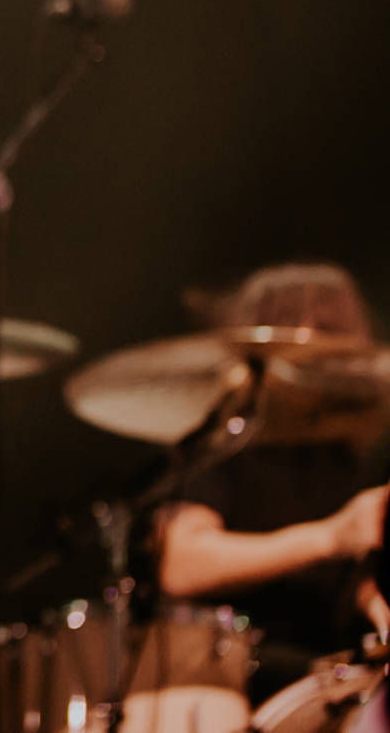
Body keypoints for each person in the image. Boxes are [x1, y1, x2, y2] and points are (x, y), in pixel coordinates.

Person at [156, 262, 390, 703]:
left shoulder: (353, 460)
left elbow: (358, 585)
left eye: (329, 326)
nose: (310, 339)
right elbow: (180, 564)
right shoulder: (224, 446)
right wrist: (329, 536)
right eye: (290, 323)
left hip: (337, 679)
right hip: (224, 678)